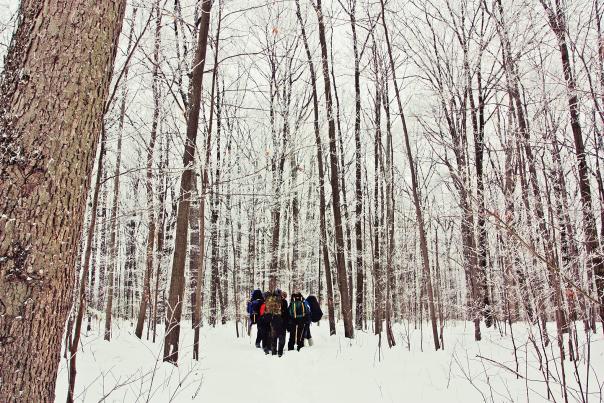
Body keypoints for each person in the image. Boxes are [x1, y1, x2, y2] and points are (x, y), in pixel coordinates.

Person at [262, 289, 289, 357]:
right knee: (282, 337)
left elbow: (265, 311)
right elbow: (286, 312)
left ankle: (274, 352)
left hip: (272, 320)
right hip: (281, 320)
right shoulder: (282, 301)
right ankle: (280, 352)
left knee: (273, 337)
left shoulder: (269, 300)